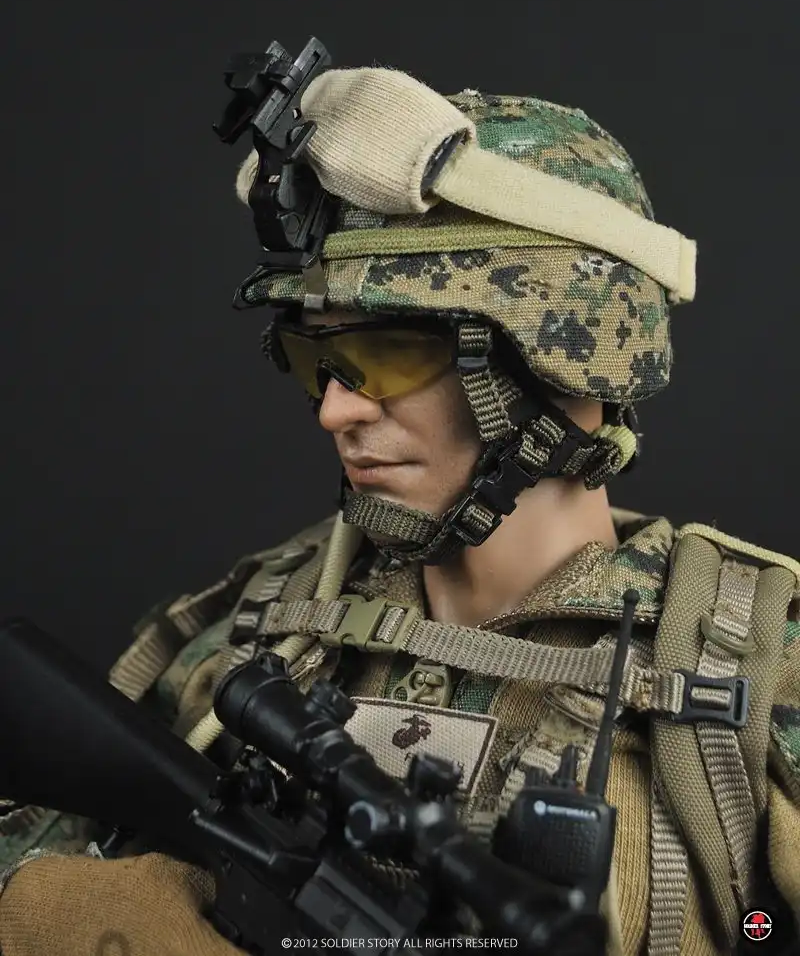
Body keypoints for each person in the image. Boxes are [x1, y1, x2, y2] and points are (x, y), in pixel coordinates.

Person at [1, 64, 798, 956]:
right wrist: (89, 912)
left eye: (385, 355)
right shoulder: (264, 625)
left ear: (560, 360)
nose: (336, 410)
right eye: (315, 360)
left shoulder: (750, 677)